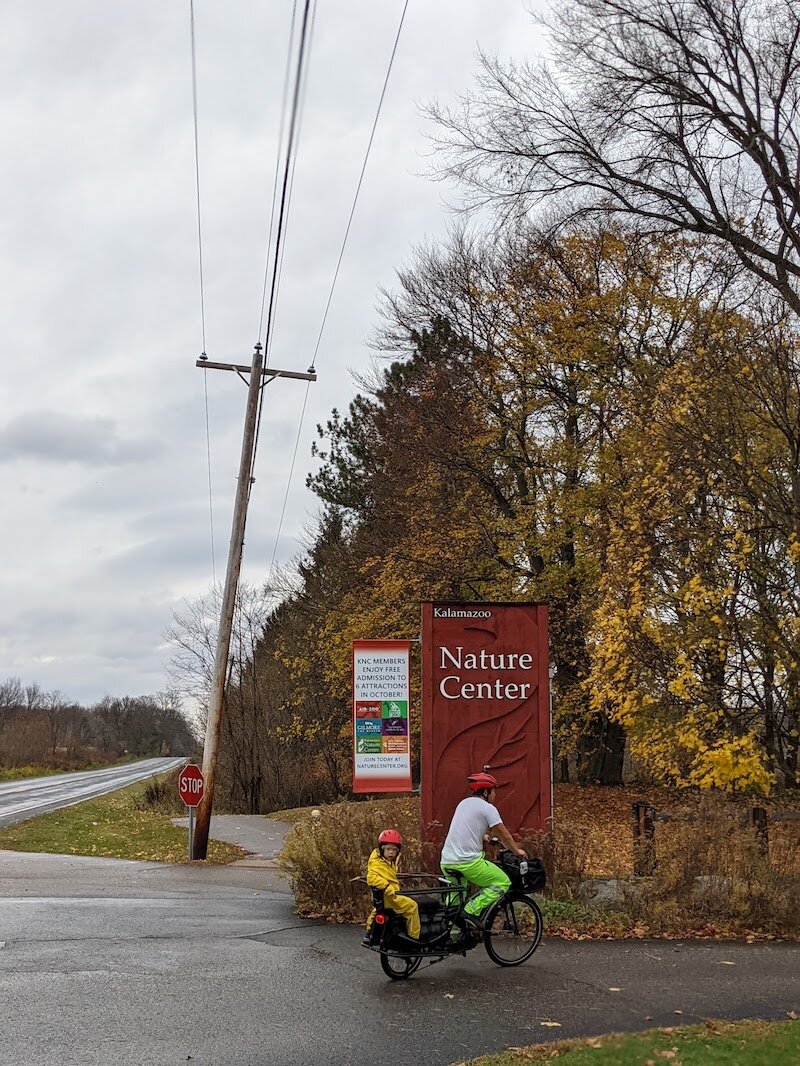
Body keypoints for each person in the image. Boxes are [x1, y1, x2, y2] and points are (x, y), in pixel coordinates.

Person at [440, 771, 527, 926]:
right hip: (467, 862)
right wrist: (516, 851)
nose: (495, 796)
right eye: (493, 792)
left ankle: (451, 936)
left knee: (455, 899)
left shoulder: (463, 803)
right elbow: (504, 835)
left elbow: (466, 828)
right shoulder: (488, 808)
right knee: (502, 882)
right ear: (486, 792)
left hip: (447, 860)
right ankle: (471, 910)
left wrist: (483, 837)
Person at [362, 828, 421, 944]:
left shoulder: (384, 860)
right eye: (388, 849)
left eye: (394, 850)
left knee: (377, 909)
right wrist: (387, 886)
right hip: (389, 896)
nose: (391, 852)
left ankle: (369, 933)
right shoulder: (378, 863)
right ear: (381, 849)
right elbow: (371, 878)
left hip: (384, 897)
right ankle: (414, 938)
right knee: (412, 906)